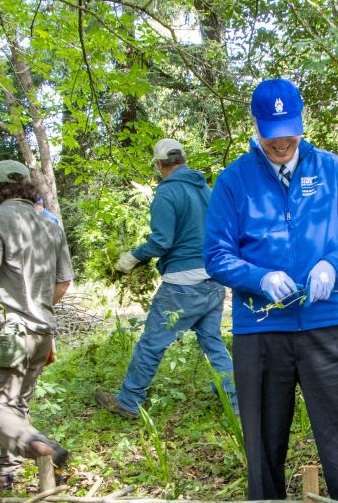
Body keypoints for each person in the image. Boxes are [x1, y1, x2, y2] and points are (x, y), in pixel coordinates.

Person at [204, 78, 338, 503]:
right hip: (261, 330)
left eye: (290, 129)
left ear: (302, 122)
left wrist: (332, 265)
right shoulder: (234, 181)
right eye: (272, 131)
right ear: (256, 125)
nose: (282, 141)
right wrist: (259, 278)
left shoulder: (332, 170)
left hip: (330, 323)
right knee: (263, 439)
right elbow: (215, 256)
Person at [95, 138, 237, 419]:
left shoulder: (167, 193)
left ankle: (129, 401)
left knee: (152, 342)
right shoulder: (206, 189)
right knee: (212, 342)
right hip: (213, 278)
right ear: (183, 159)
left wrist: (132, 258)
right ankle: (235, 403)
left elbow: (161, 242)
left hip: (182, 285)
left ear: (160, 165)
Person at [0, 160, 75, 492]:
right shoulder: (50, 225)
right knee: (14, 407)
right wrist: (38, 307)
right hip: (42, 332)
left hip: (8, 332)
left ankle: (44, 448)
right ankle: (0, 478)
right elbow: (63, 282)